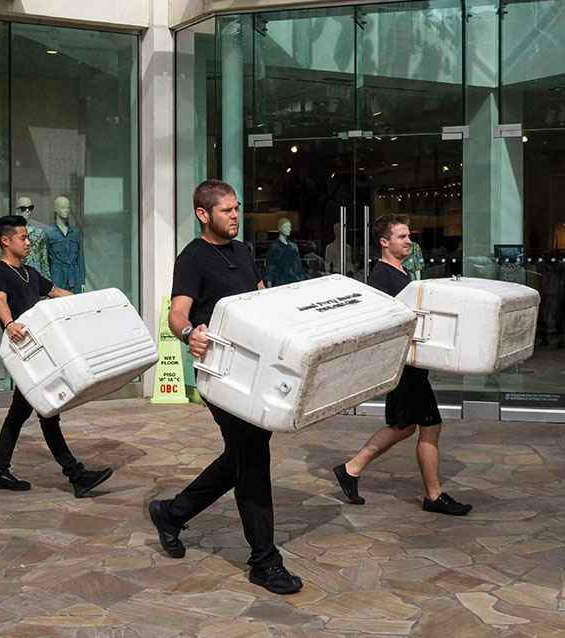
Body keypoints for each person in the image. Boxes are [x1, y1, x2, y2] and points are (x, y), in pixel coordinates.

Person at [148, 179, 303, 595]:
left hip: (258, 371)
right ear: (204, 214)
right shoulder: (193, 258)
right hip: (222, 377)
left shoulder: (242, 251)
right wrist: (188, 335)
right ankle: (264, 562)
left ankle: (171, 513)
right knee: (252, 461)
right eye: (227, 210)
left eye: (237, 209)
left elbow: (258, 297)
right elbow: (177, 313)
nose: (235, 216)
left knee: (240, 458)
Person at [332, 214, 472, 516]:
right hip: (404, 366)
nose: (409, 241)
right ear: (385, 242)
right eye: (402, 237)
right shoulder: (382, 276)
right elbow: (381, 321)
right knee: (430, 426)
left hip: (411, 364)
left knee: (404, 426)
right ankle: (433, 495)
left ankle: (351, 469)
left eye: (409, 236)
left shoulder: (402, 272)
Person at [0, 215, 112, 497]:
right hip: (22, 353)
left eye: (28, 237)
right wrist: (9, 324)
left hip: (39, 353)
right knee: (47, 411)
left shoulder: (30, 273)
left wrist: (93, 305)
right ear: (5, 241)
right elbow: (0, 301)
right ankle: (75, 476)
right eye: (23, 238)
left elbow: (57, 293)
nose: (29, 242)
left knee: (22, 413)